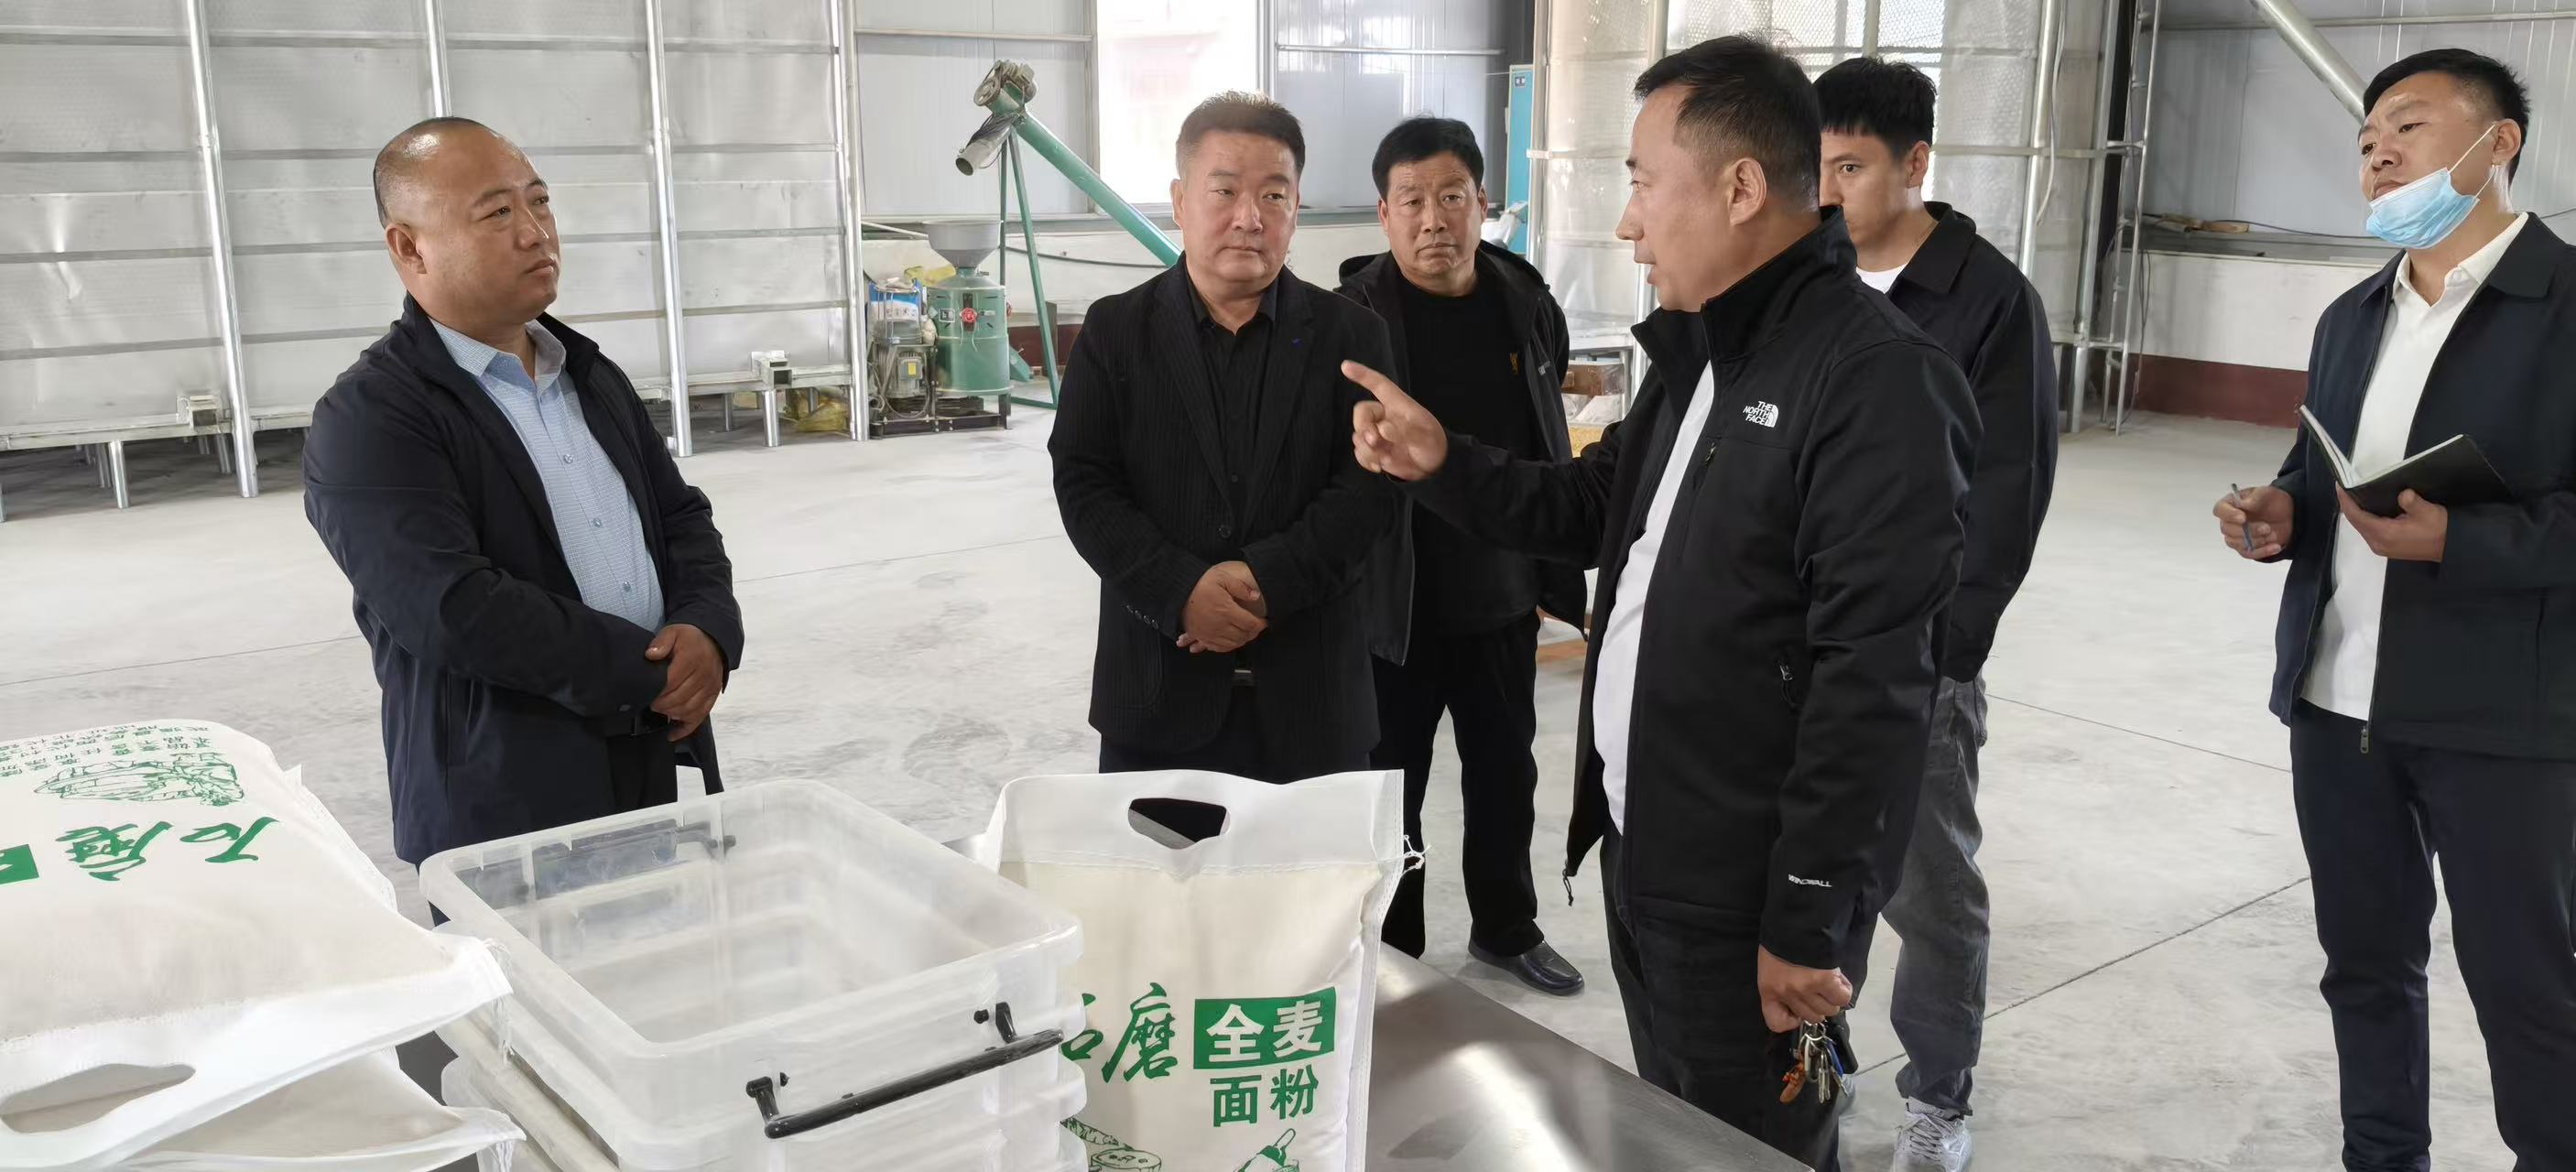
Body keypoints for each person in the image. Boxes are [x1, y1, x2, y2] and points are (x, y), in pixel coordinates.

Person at [1348, 38, 1978, 1170]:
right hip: (1649, 851)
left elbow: (1873, 682)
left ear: (1738, 189)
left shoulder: (1872, 379)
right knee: (1676, 1135)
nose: (1628, 222)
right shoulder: (1702, 352)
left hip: (1744, 890)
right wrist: (1442, 460)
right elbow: (1595, 505)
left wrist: (1807, 916)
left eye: (1642, 182)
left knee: (1751, 1144)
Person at [2213, 49, 2576, 1171]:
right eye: (2364, 139)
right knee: (2363, 967)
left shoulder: (2565, 308)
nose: (2375, 154)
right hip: (2337, 704)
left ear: (2496, 143)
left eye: (2407, 128)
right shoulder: (2350, 315)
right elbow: (2321, 469)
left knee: (2525, 983)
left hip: (2500, 718)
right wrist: (2282, 510)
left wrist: (2463, 541)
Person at [304, 118, 743, 876]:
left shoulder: (588, 375)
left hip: (646, 761)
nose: (535, 232)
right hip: (503, 804)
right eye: (497, 213)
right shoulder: (372, 415)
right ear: (409, 247)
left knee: (658, 946)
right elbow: (451, 607)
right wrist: (651, 672)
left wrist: (707, 628)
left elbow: (678, 517)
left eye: (539, 203)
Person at [1815, 57, 2059, 1170]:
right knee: (1811, 879)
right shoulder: (1807, 277)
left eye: (1850, 168)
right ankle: (1816, 1064)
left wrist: (1942, 660)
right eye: (1814, 170)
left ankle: (1938, 1096)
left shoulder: (1987, 298)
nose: (1827, 194)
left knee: (1927, 892)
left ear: (1914, 162)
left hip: (1916, 660)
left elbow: (2006, 495)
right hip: (1797, 648)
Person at [1050, 93, 1398, 794]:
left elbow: (1370, 490)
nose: (1249, 217)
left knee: (1315, 870)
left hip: (1314, 706)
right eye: (1224, 191)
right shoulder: (1115, 332)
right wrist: (1179, 591)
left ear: (1295, 207)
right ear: (1180, 202)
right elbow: (1084, 483)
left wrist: (1267, 583)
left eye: (1273, 194)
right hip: (1155, 698)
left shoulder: (1352, 335)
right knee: (1158, 867)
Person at [1336, 116, 1589, 995]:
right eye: (1411, 200)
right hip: (1393, 605)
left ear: (1484, 202)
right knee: (1390, 788)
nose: (1432, 219)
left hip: (1500, 595)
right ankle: (1395, 951)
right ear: (1383, 214)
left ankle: (1506, 929)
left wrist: (1547, 567)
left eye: (1451, 197)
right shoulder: (1351, 318)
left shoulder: (1525, 301)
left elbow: (1544, 429)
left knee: (1504, 774)